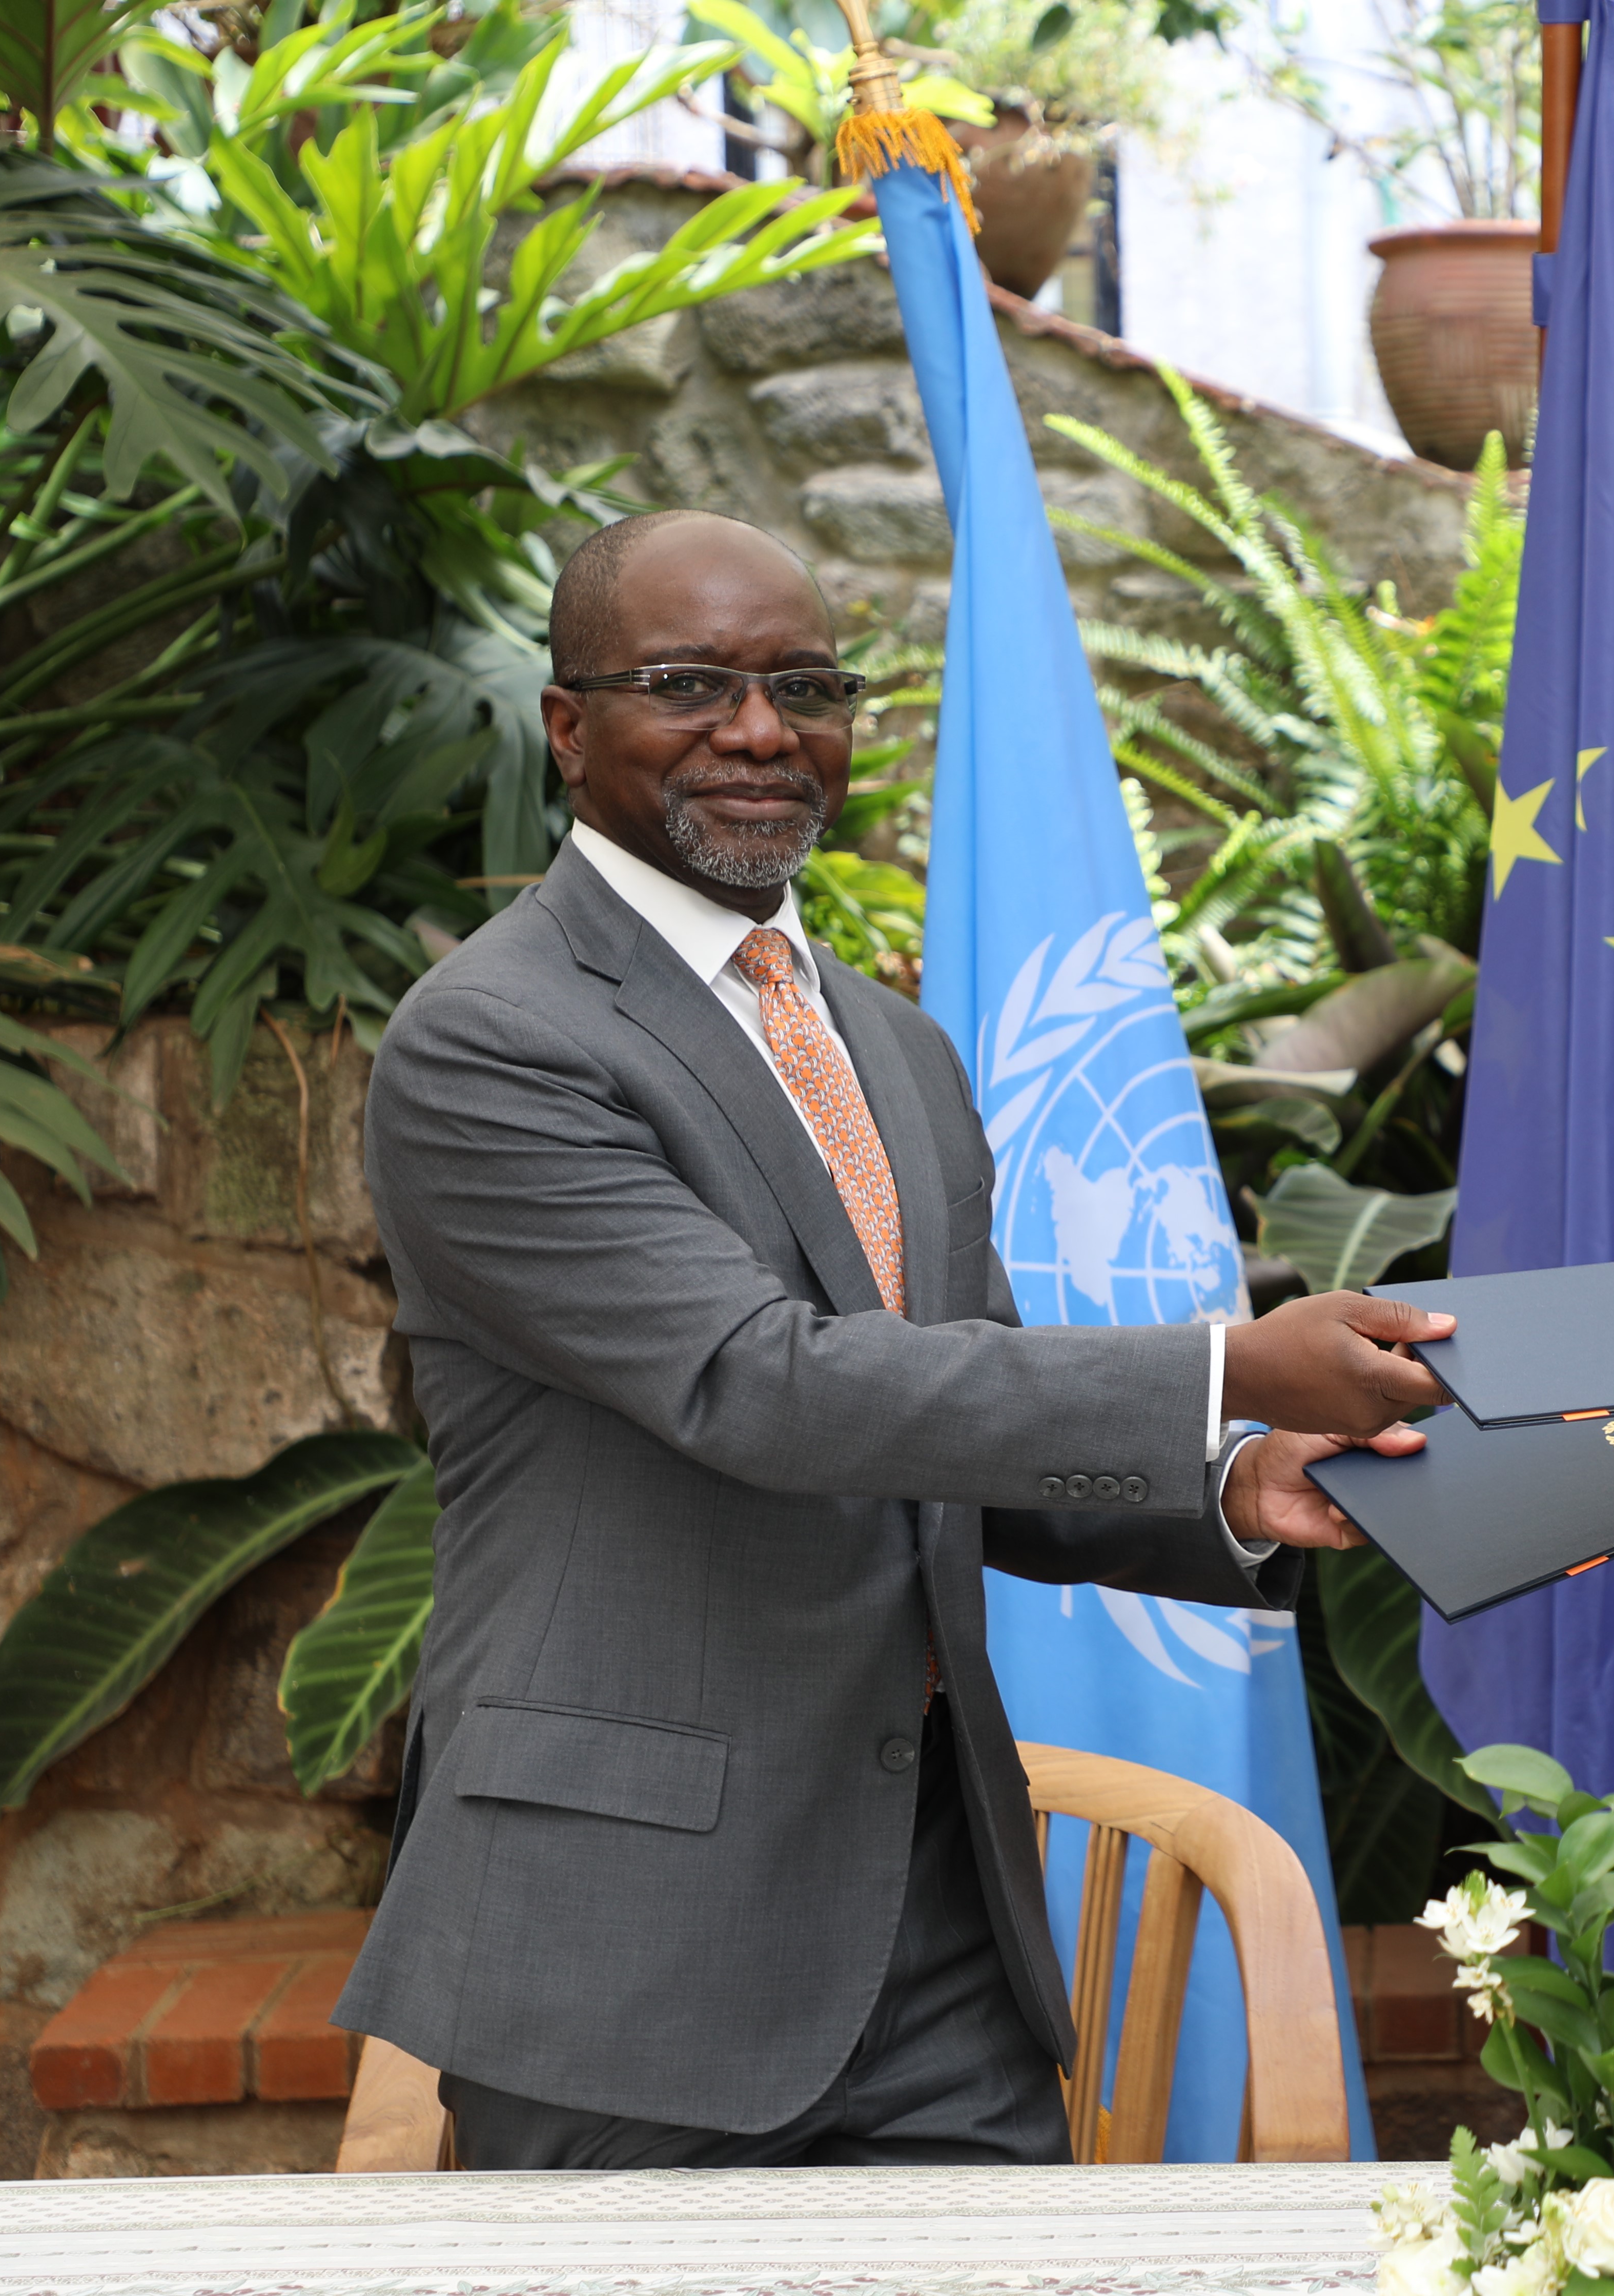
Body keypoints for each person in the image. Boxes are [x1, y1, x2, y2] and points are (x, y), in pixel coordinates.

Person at [337, 508, 1447, 2169]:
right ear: (570, 727)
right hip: (624, 1938)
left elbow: (945, 1438)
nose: (763, 731)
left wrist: (1237, 1484)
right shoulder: (492, 1041)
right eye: (690, 683)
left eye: (808, 684)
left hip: (935, 1919)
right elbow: (758, 1385)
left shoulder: (894, 1045)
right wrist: (1227, 1364)